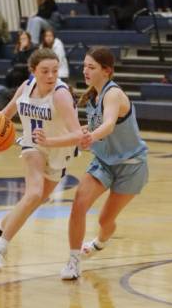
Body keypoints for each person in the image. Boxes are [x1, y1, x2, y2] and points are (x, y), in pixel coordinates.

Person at [0, 49, 83, 270]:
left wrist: (51, 141)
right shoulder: (25, 88)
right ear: (33, 71)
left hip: (59, 149)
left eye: (54, 71)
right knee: (33, 194)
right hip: (33, 146)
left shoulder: (61, 95)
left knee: (37, 200)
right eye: (45, 71)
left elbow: (78, 134)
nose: (51, 76)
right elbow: (5, 114)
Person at [60, 47, 148, 280]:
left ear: (106, 71)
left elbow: (109, 124)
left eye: (92, 67)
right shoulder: (92, 96)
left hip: (131, 165)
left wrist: (91, 136)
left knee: (105, 220)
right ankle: (73, 260)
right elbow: (99, 126)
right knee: (79, 203)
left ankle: (100, 243)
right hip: (104, 162)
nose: (85, 70)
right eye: (85, 66)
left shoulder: (113, 94)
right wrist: (84, 132)